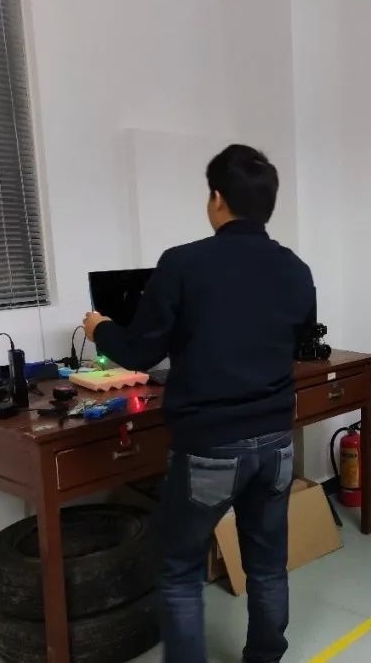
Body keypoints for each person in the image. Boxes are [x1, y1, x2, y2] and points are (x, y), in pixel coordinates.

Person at [82, 145, 315, 663]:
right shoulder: (296, 269)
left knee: (180, 570)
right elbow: (300, 340)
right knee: (268, 565)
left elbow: (141, 351)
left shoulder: (183, 263)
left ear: (216, 199)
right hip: (276, 444)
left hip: (211, 445)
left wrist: (101, 329)